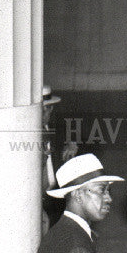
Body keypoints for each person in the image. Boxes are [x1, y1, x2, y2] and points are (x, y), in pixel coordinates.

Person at [41, 85, 79, 233]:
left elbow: (73, 134)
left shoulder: (51, 127)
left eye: (50, 108)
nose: (48, 112)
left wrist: (72, 143)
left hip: (55, 193)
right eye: (44, 108)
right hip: (40, 194)